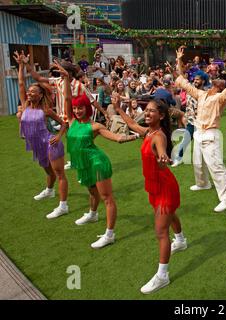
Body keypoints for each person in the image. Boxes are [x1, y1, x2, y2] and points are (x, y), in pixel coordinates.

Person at [56, 61, 137, 249]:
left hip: (97, 163)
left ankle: (110, 234)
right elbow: (67, 99)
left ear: (88, 109)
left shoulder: (95, 126)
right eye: (75, 108)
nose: (76, 110)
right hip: (82, 164)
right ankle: (93, 214)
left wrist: (135, 135)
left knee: (107, 198)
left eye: (80, 108)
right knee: (92, 192)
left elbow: (117, 138)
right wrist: (67, 79)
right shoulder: (71, 121)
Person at [112, 94, 187, 294]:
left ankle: (162, 276)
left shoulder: (159, 136)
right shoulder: (148, 131)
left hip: (164, 188)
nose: (147, 112)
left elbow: (161, 149)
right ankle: (181, 239)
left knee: (161, 232)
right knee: (170, 216)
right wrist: (118, 109)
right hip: (155, 185)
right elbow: (132, 125)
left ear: (161, 116)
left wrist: (163, 156)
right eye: (146, 110)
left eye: (151, 110)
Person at [174, 46, 226, 213]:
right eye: (217, 80)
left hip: (211, 134)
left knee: (216, 166)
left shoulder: (220, 98)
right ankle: (202, 183)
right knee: (197, 162)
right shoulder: (201, 94)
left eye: (221, 82)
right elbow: (182, 81)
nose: (217, 80)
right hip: (198, 132)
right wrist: (179, 59)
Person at [14, 51, 69, 219]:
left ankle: (63, 205)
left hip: (50, 143)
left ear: (40, 95)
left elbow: (64, 123)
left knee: (59, 174)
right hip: (36, 145)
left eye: (33, 92)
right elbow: (21, 83)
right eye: (29, 92)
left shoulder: (46, 110)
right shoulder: (25, 104)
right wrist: (21, 65)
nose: (29, 93)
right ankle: (50, 191)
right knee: (48, 172)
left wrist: (59, 136)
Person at [172, 71, 208, 167]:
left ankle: (207, 161)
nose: (195, 81)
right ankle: (178, 159)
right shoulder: (190, 88)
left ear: (203, 81)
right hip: (191, 121)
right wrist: (179, 60)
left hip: (201, 123)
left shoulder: (204, 93)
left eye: (197, 79)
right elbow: (181, 77)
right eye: (195, 79)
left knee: (203, 144)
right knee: (186, 140)